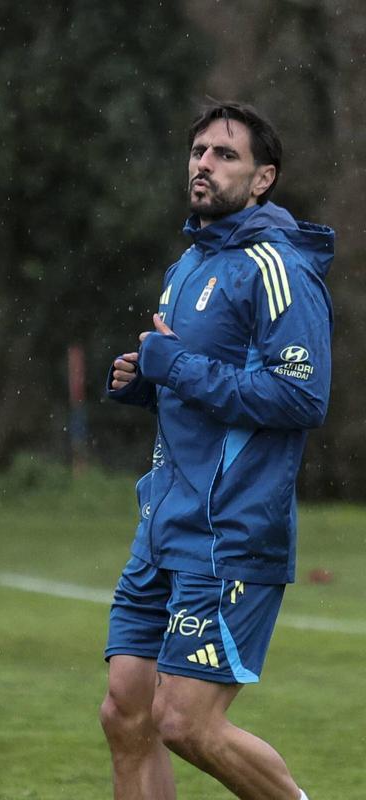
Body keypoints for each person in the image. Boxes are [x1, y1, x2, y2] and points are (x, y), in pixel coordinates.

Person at [100, 101, 333, 800]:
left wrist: (177, 368)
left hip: (231, 532)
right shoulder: (191, 264)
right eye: (199, 150)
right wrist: (147, 384)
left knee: (185, 722)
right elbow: (197, 385)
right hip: (162, 528)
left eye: (225, 154)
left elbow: (301, 396)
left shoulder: (277, 266)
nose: (204, 163)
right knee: (126, 713)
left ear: (263, 179)